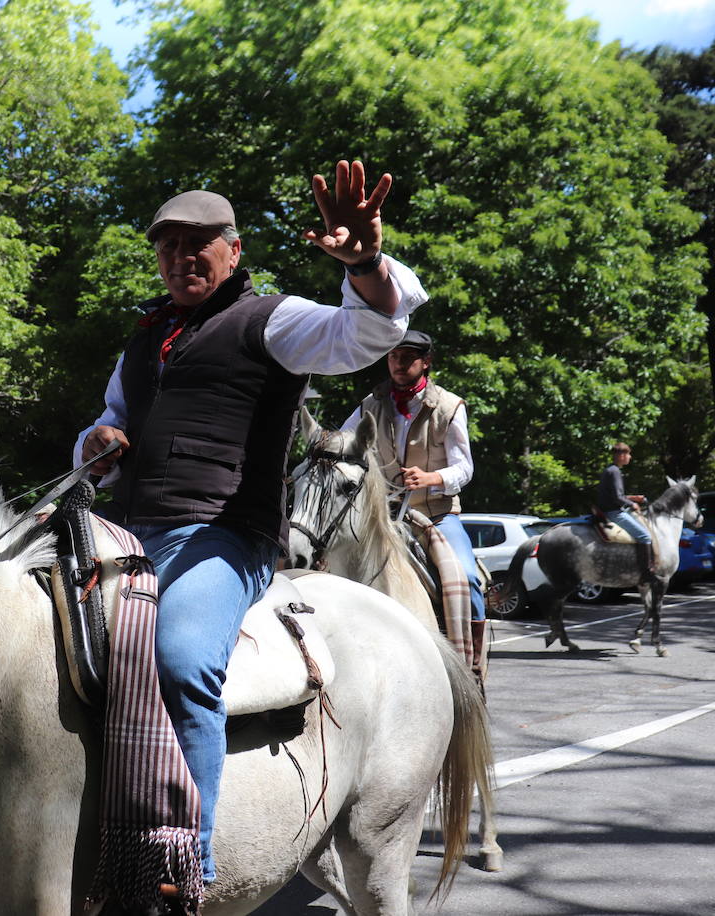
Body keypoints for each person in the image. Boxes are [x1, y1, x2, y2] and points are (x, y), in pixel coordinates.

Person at [75, 159, 427, 888]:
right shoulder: (142, 340)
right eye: (167, 246)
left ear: (233, 251)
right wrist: (96, 446)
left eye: (197, 242)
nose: (180, 258)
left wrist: (362, 262)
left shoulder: (275, 319)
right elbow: (109, 421)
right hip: (129, 534)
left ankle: (187, 859)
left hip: (225, 538)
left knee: (179, 658)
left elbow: (365, 334)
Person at [341, 330, 484, 624]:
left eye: (407, 357)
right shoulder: (371, 404)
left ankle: (471, 666)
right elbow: (344, 442)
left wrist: (432, 478)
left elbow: (465, 468)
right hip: (382, 516)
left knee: (466, 580)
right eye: (393, 356)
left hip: (437, 516)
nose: (398, 363)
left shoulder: (449, 406)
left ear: (426, 362)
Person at [595, 442, 653, 579]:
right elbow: (617, 498)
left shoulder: (610, 469)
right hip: (614, 512)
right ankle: (645, 572)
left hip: (608, 509)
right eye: (628, 454)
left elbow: (614, 494)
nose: (630, 457)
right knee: (645, 536)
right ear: (621, 455)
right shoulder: (615, 472)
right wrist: (632, 504)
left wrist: (634, 498)